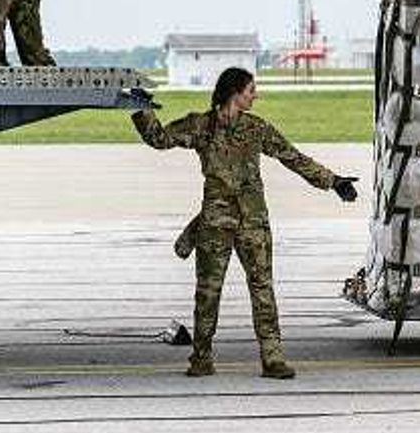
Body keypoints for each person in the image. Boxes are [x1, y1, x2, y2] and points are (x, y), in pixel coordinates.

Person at [132, 67, 359, 379]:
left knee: (263, 290)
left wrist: (333, 182)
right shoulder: (201, 125)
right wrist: (141, 108)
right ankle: (201, 357)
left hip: (253, 222)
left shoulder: (257, 128)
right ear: (235, 93)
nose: (256, 95)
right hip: (215, 224)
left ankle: (273, 359)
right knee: (207, 293)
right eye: (252, 90)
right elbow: (159, 139)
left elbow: (292, 157)